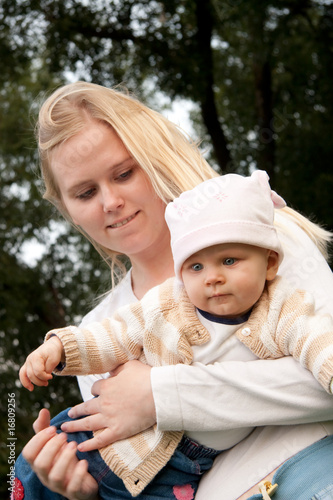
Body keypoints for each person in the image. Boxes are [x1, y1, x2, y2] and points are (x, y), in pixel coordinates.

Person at [14, 81, 333, 500]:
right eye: (85, 193)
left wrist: (159, 394)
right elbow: (150, 468)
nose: (110, 201)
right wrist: (86, 491)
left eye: (124, 173)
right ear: (67, 209)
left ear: (156, 157)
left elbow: (321, 383)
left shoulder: (257, 242)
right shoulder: (98, 332)